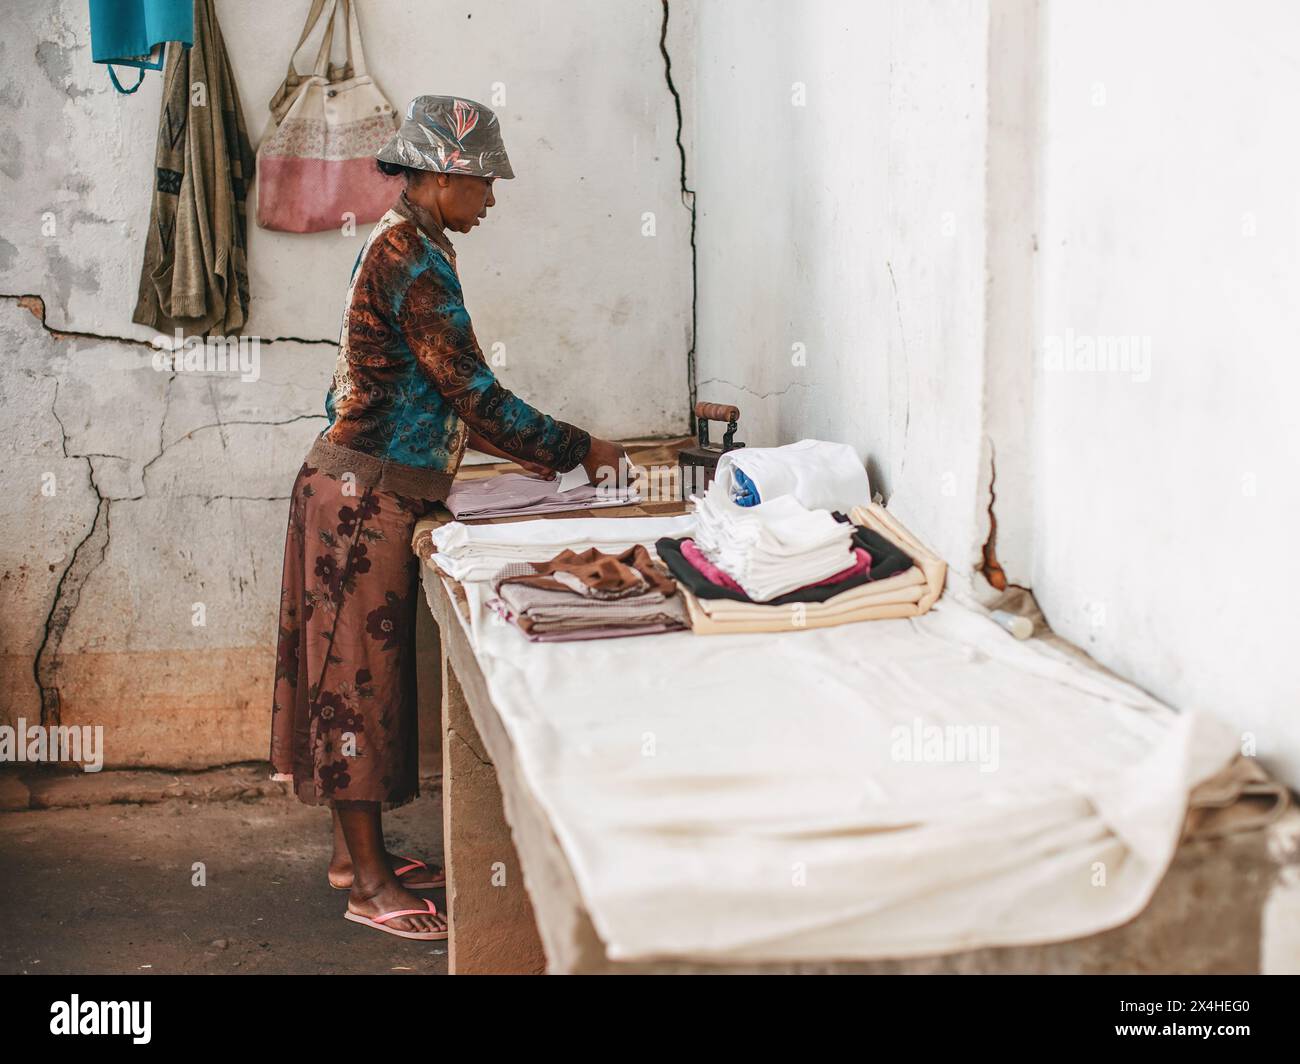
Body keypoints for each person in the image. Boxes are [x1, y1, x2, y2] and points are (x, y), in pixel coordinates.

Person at [270, 95, 627, 940]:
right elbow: (472, 390)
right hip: (360, 505)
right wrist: (583, 449)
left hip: (359, 489)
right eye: (484, 182)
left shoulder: (403, 242)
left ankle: (354, 857)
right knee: (354, 689)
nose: (492, 200)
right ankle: (368, 887)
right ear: (440, 175)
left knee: (351, 682)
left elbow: (367, 384)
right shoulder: (413, 259)